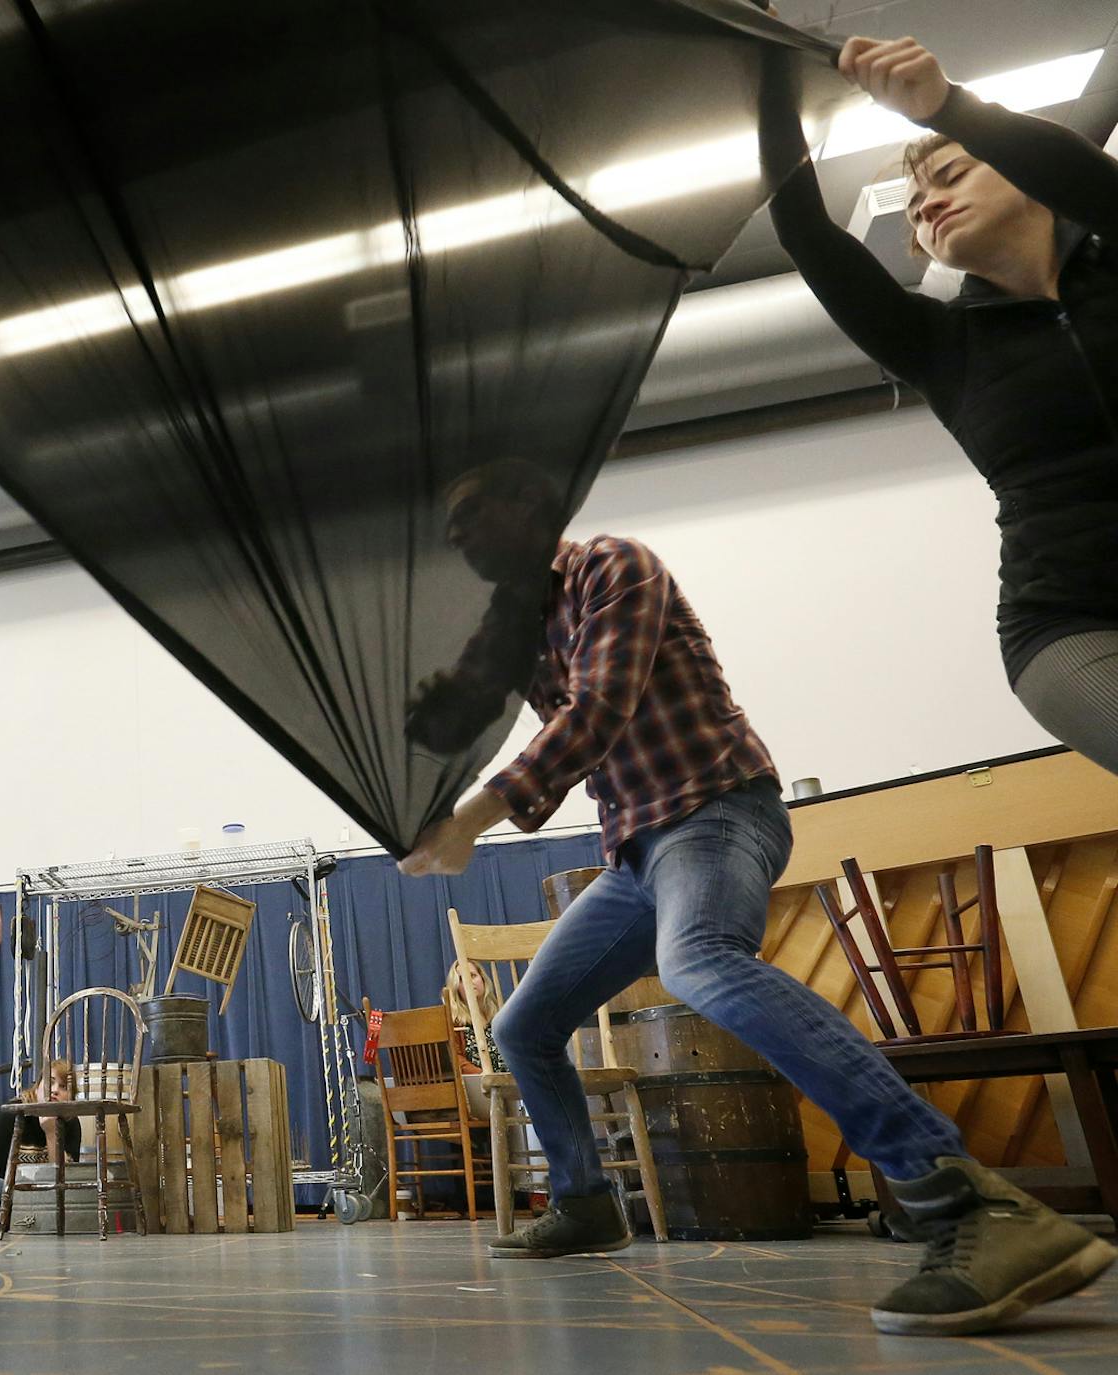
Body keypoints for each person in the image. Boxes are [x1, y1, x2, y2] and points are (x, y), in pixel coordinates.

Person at [398, 460, 1113, 1336]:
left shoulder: (613, 565)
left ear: (528, 504)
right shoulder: (511, 625)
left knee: (699, 961)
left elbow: (595, 714)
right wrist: (424, 724)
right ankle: (586, 1201)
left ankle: (966, 1201)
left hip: (717, 810)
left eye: (471, 512)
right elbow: (458, 708)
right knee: (523, 1025)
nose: (458, 535)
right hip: (634, 858)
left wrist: (470, 817)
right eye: (449, 526)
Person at [762, 35, 1118, 774]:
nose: (929, 206)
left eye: (951, 175)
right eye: (918, 211)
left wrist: (945, 108)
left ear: (1022, 176)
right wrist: (764, 66)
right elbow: (805, 231)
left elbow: (1087, 182)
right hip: (1069, 624)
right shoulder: (937, 343)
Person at [0, 1059, 80, 1232]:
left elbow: (64, 1181)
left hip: (39, 1198)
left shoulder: (71, 1123)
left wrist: (51, 1135)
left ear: (71, 1098)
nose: (54, 1091)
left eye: (64, 1087)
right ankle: (33, 1218)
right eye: (50, 1082)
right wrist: (40, 1198)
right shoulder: (9, 1116)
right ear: (37, 1086)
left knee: (68, 1195)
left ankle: (29, 1219)